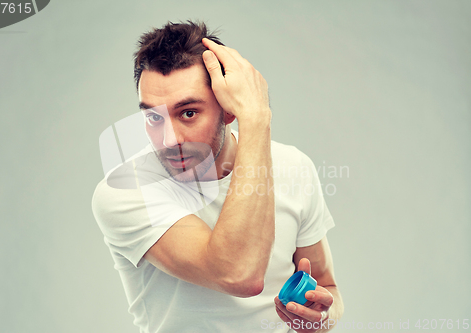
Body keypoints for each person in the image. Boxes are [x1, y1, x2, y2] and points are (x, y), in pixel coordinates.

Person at [92, 20, 344, 333]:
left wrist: (319, 319)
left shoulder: (293, 166)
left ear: (227, 109)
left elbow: (328, 289)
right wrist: (257, 116)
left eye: (188, 113)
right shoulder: (125, 190)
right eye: (154, 117)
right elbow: (238, 275)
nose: (169, 139)